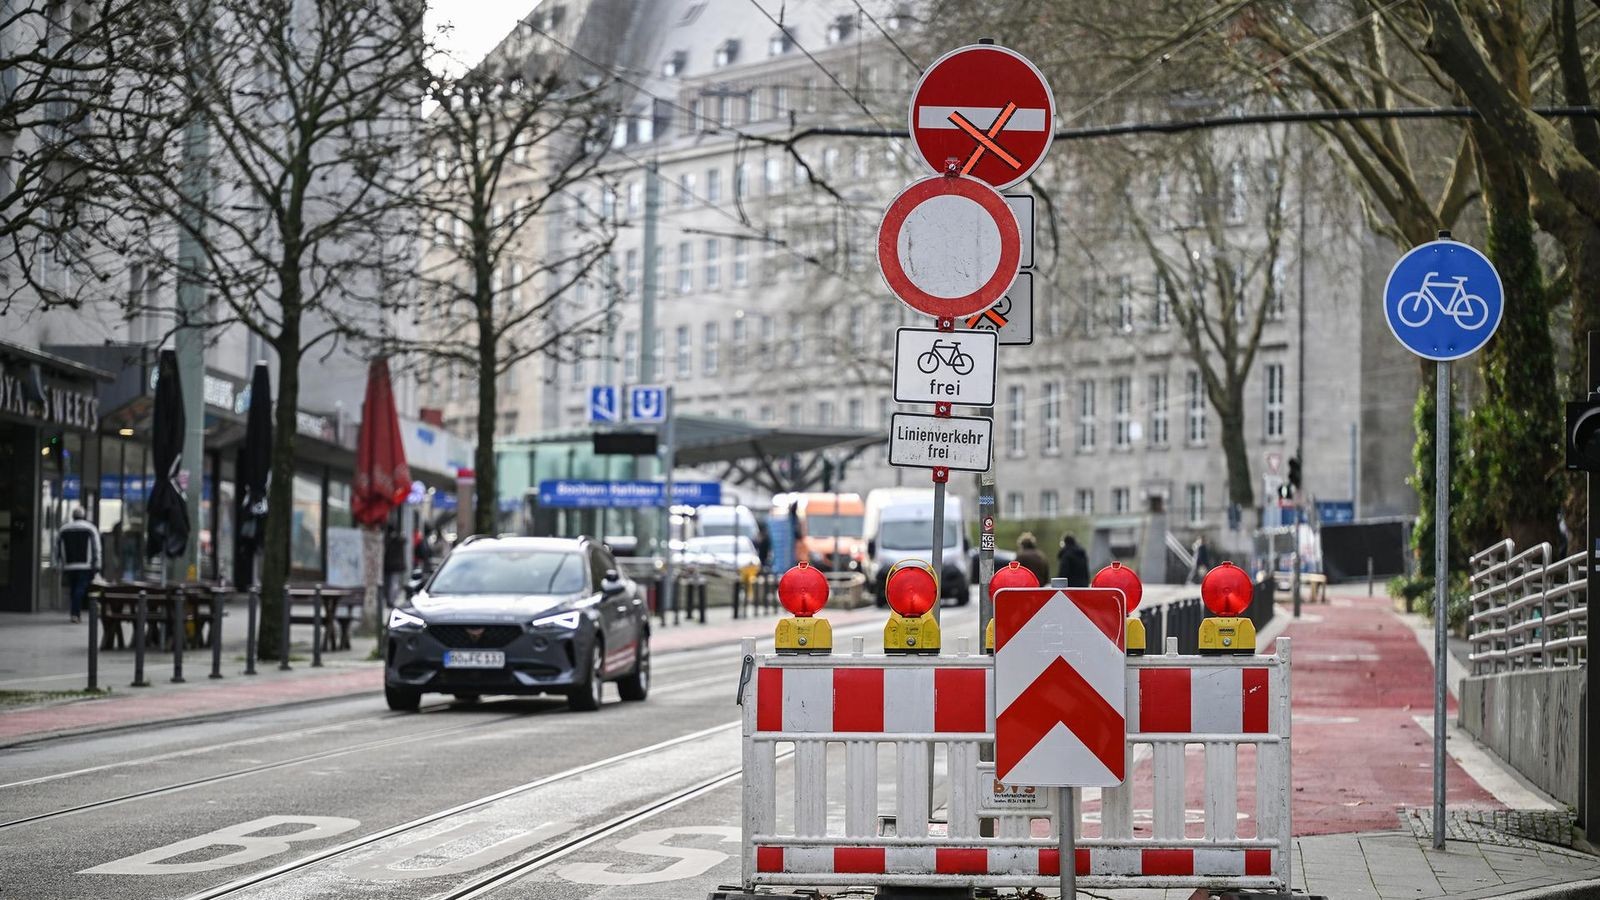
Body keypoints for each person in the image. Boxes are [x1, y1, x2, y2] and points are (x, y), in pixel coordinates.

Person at [55, 507, 101, 624]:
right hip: (85, 565)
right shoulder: (90, 528)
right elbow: (97, 548)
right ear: (83, 515)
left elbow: (57, 549)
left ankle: (74, 613)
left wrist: (57, 564)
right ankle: (75, 613)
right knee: (80, 589)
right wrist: (97, 564)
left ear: (73, 516)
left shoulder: (64, 529)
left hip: (69, 565)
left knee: (73, 589)